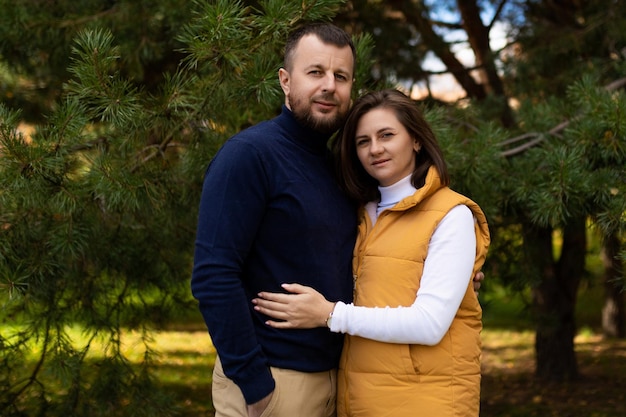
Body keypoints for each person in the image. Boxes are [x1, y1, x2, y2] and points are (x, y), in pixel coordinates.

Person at [191, 23, 484, 417]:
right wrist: (254, 383)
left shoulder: (343, 176)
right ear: (285, 80)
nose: (329, 85)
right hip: (274, 382)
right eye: (315, 72)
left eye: (340, 76)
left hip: (342, 382)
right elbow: (213, 274)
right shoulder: (249, 155)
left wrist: (457, 277)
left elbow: (375, 264)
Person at [252, 89, 490, 417]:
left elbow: (430, 323)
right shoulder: (360, 214)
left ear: (416, 140)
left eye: (387, 135)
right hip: (360, 396)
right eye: (363, 141)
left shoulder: (451, 214)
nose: (375, 149)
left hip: (426, 400)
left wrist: (329, 314)